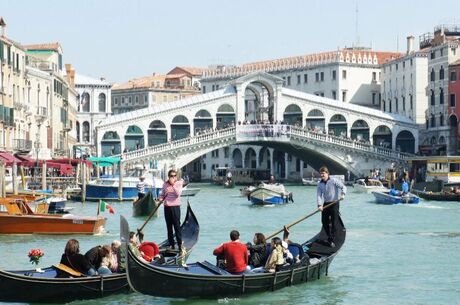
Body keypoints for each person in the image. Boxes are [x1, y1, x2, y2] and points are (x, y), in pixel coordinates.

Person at [316, 166, 346, 248]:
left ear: (327, 173)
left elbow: (343, 187)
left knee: (334, 222)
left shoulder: (334, 180)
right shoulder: (320, 184)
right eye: (321, 174)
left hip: (334, 203)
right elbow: (319, 195)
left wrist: (342, 194)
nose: (322, 175)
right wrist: (319, 205)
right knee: (324, 221)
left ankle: (332, 239)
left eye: (323, 173)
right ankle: (329, 236)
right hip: (326, 204)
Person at [158, 169, 185, 251]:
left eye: (174, 176)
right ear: (168, 176)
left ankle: (180, 244)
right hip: (167, 207)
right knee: (169, 227)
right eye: (171, 176)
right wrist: (160, 199)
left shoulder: (179, 183)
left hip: (175, 207)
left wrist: (173, 185)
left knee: (177, 226)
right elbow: (162, 194)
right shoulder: (165, 184)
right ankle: (171, 244)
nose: (173, 177)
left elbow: (178, 194)